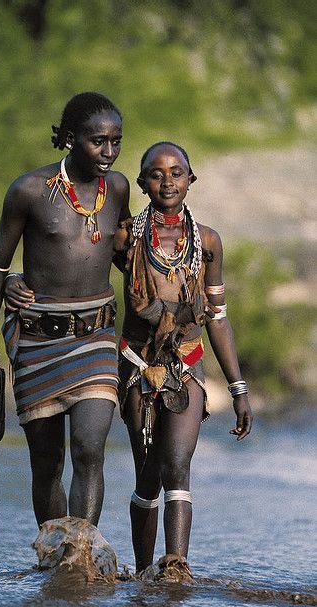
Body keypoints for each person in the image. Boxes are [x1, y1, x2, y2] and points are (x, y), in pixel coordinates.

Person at [0, 92, 130, 527]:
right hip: (38, 341)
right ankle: (55, 557)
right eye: (99, 142)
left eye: (117, 141)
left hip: (96, 338)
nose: (110, 152)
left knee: (89, 448)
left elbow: (121, 253)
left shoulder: (116, 188)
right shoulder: (29, 191)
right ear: (70, 139)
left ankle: (80, 553)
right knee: (47, 466)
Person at [113, 141, 252, 574]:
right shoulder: (126, 239)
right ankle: (141, 576)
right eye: (156, 174)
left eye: (177, 173)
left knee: (177, 463)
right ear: (141, 183)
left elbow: (218, 319)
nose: (167, 181)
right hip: (138, 365)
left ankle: (174, 570)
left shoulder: (207, 242)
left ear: (191, 180)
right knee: (148, 473)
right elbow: (77, 267)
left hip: (187, 364)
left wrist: (238, 387)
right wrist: (19, 284)